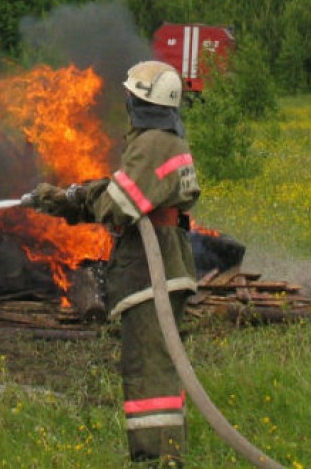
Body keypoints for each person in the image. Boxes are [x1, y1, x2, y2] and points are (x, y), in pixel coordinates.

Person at [26, 60, 200, 466]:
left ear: (141, 101)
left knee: (148, 370)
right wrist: (68, 199)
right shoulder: (165, 140)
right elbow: (122, 191)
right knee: (158, 365)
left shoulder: (152, 142)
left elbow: (119, 207)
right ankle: (165, 454)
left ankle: (156, 459)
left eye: (131, 97)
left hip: (150, 271)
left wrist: (91, 199)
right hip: (163, 267)